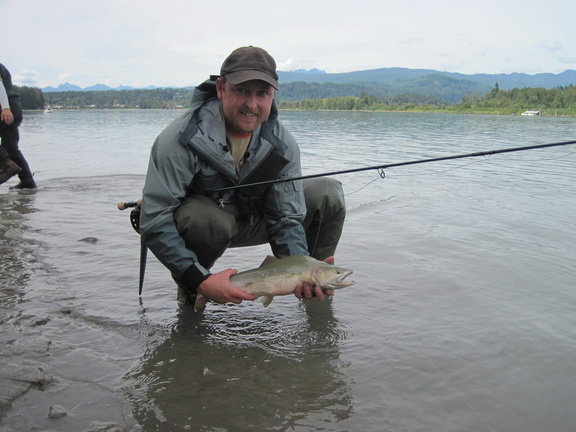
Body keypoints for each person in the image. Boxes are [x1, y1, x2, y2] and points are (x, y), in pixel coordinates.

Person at [140, 46, 346, 308]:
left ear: (272, 96)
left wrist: (302, 266)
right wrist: (198, 278)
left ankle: (315, 285)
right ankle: (194, 288)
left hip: (257, 218)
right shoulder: (182, 138)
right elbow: (154, 218)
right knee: (201, 218)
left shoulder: (282, 144)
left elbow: (286, 218)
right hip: (209, 226)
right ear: (220, 89)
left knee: (327, 192)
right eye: (242, 91)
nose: (252, 104)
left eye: (262, 93)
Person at [0, 63, 36, 189]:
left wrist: (5, 108)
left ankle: (7, 165)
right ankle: (28, 182)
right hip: (14, 106)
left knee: (10, 149)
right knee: (11, 147)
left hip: (5, 107)